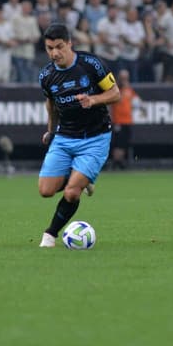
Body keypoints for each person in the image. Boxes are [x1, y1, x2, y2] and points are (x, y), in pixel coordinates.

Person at [37, 23, 121, 248]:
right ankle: (82, 179)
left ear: (70, 43)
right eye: (49, 48)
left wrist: (93, 100)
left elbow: (115, 93)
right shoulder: (46, 75)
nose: (54, 53)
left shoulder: (91, 64)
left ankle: (50, 235)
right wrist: (50, 130)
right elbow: (51, 104)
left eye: (59, 47)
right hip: (65, 137)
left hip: (95, 137)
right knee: (45, 191)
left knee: (72, 192)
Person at [109, 69, 139, 170]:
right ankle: (116, 162)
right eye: (123, 78)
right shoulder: (116, 89)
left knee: (124, 143)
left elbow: (136, 101)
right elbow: (118, 100)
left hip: (128, 120)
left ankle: (120, 161)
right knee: (118, 142)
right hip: (118, 121)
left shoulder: (129, 90)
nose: (125, 80)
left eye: (126, 78)